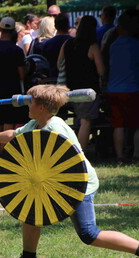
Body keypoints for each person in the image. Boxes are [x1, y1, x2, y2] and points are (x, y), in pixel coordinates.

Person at [0, 84, 139, 258]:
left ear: (40, 107)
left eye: (31, 102)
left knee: (89, 234)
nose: (28, 105)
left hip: (77, 184)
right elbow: (14, 134)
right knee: (31, 211)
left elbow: (68, 167)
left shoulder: (54, 130)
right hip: (52, 183)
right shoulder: (37, 123)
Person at [57, 16, 104, 152]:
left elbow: (59, 64)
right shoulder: (93, 46)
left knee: (79, 120)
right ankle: (79, 154)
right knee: (85, 122)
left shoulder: (67, 44)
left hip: (69, 90)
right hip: (87, 91)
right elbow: (101, 70)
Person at [0, 17, 29, 155]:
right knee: (9, 124)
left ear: (0, 29)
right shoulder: (16, 50)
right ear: (13, 31)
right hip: (12, 90)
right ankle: (6, 157)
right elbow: (21, 74)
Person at [106, 9, 139, 163]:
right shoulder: (136, 45)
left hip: (113, 89)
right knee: (137, 124)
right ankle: (136, 155)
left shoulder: (113, 45)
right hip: (132, 89)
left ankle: (119, 156)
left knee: (118, 125)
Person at [42, 13, 72, 79]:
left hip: (52, 78)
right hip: (69, 78)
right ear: (68, 25)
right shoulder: (72, 42)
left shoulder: (48, 43)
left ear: (55, 26)